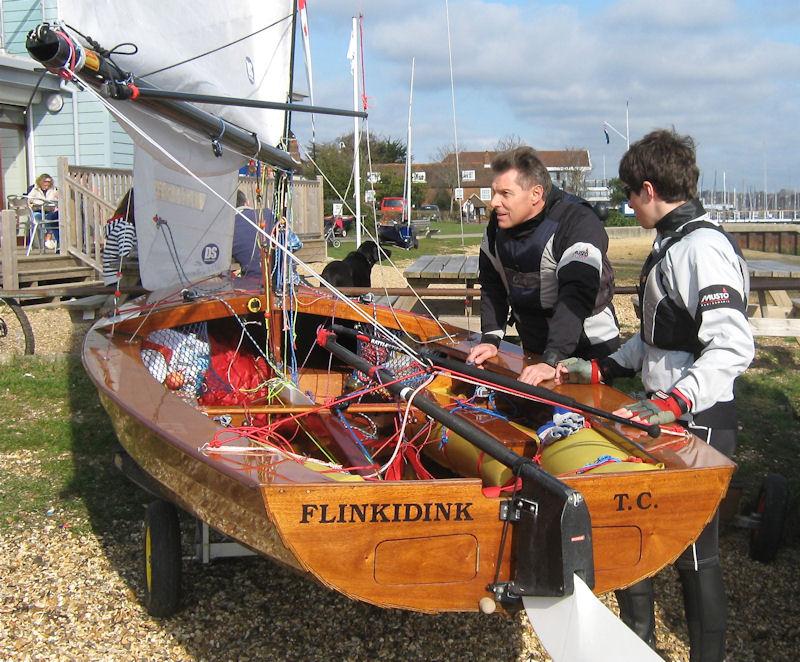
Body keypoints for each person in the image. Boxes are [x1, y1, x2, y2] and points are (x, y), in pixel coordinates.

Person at [556, 129, 755, 661]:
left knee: (695, 555)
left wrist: (674, 403)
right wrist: (599, 368)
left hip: (700, 419)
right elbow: (656, 338)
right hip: (660, 416)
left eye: (628, 194)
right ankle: (637, 645)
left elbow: (733, 345)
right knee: (633, 534)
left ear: (648, 189)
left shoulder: (703, 248)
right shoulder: (672, 242)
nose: (626, 205)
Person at [466, 146, 619, 384]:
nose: (494, 202)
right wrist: (491, 338)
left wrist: (553, 358)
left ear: (536, 194)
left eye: (505, 193)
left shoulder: (577, 222)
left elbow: (577, 294)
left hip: (587, 347)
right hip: (536, 342)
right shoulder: (498, 225)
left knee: (581, 420)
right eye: (494, 192)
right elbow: (492, 283)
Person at [233, 190, 274, 279]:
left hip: (254, 282)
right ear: (247, 202)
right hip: (288, 280)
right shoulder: (269, 213)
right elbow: (296, 244)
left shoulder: (229, 227)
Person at [102, 189, 137, 286]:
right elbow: (125, 255)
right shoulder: (126, 227)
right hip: (117, 279)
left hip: (112, 278)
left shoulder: (120, 223)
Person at [27, 173, 59, 250]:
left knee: (51, 218)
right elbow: (29, 200)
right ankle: (47, 239)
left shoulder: (53, 189)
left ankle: (48, 238)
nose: (47, 185)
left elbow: (56, 200)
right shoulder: (34, 189)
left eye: (48, 183)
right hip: (38, 211)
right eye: (45, 183)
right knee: (40, 218)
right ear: (40, 182)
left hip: (49, 211)